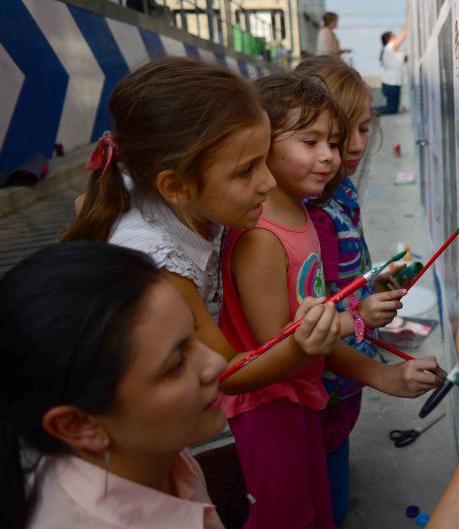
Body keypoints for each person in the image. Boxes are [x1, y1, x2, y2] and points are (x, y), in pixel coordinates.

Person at [0, 241, 459, 529]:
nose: (216, 366)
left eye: (195, 338)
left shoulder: (127, 452)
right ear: (76, 425)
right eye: (176, 362)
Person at [219, 72, 442, 529]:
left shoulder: (300, 216)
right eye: (311, 142)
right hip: (269, 406)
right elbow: (283, 344)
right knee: (282, 521)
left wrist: (381, 374)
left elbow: (313, 338)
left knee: (312, 503)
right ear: (261, 145)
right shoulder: (259, 239)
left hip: (302, 394)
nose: (331, 157)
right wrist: (358, 320)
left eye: (334, 143)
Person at [61, 58, 346, 398]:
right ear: (177, 187)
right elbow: (225, 370)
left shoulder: (143, 184)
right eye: (246, 170)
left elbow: (85, 203)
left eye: (264, 160)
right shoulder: (161, 269)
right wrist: (303, 347)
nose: (268, 182)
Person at [293, 55, 398, 525]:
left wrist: (370, 283)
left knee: (336, 446)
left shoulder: (343, 192)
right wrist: (363, 316)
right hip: (328, 376)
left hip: (345, 375)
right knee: (322, 485)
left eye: (363, 129)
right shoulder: (315, 216)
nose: (352, 148)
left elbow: (344, 286)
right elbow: (315, 325)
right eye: (336, 138)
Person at [378, 28, 408, 114]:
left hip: (392, 84)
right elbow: (400, 40)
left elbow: (405, 60)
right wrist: (406, 30)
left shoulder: (393, 52)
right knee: (391, 109)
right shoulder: (389, 48)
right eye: (393, 36)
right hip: (391, 84)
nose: (395, 37)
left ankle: (369, 112)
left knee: (392, 109)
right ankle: (369, 112)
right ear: (388, 39)